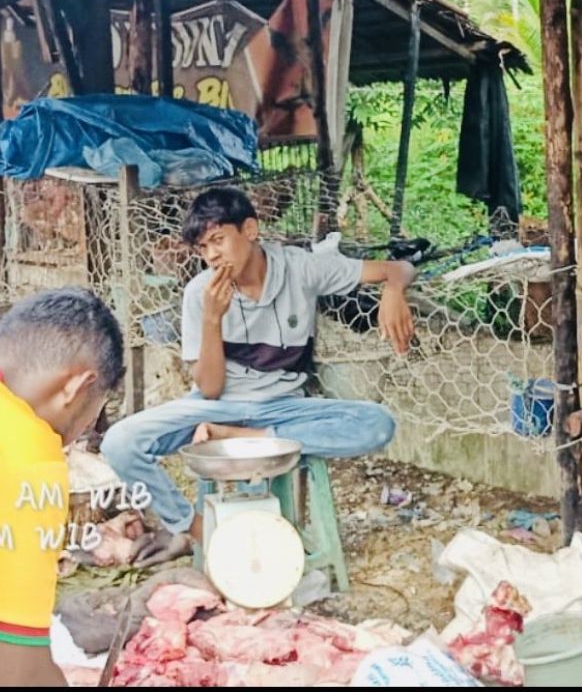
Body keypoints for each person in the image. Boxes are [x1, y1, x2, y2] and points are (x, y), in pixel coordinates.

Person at [102, 187, 416, 567]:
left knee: (378, 423)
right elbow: (211, 388)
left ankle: (246, 438)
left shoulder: (301, 268)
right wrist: (212, 319)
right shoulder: (199, 293)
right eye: (203, 248)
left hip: (285, 409)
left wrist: (394, 290)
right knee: (119, 443)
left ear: (249, 229)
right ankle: (193, 529)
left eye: (218, 240)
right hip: (214, 409)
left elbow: (397, 268)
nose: (212, 255)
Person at [0, 289, 124, 686]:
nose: (86, 427)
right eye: (95, 410)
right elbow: (18, 673)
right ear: (77, 387)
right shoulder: (30, 457)